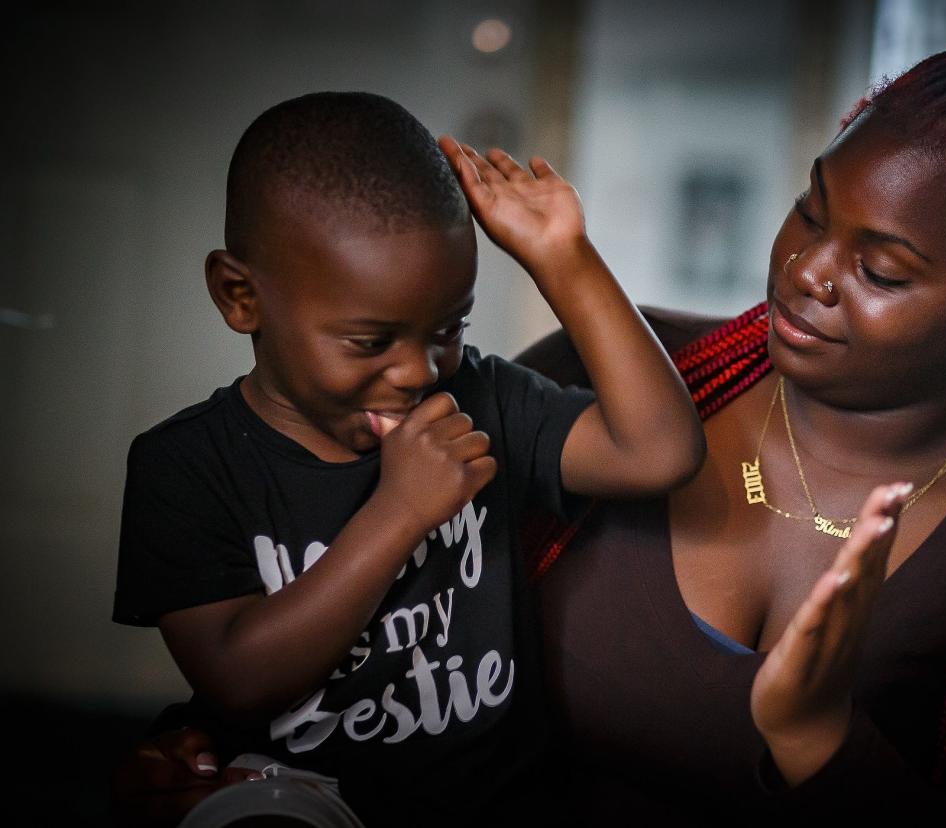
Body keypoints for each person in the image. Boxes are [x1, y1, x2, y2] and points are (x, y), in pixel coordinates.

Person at [113, 45, 946, 826]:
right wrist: (208, 746)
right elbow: (330, 619)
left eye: (883, 268)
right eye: (811, 213)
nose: (808, 272)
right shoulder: (601, 382)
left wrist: (822, 742)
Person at [110, 91, 704, 826]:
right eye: (369, 341)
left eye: (448, 326)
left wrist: (565, 260)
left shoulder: (479, 400)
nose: (420, 370)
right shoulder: (186, 467)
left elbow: (660, 452)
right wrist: (399, 513)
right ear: (240, 296)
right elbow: (237, 676)